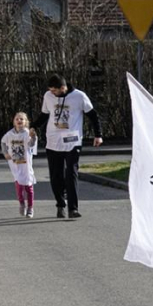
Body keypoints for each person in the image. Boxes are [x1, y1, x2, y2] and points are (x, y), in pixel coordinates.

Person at [32, 74, 103, 219]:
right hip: (53, 141)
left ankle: (73, 209)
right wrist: (33, 126)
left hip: (72, 141)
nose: (52, 93)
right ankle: (60, 204)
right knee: (56, 176)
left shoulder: (79, 96)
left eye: (54, 90)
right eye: (50, 90)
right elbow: (44, 115)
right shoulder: (48, 96)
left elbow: (93, 115)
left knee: (71, 173)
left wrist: (98, 135)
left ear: (63, 88)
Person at [1, 112, 38, 218]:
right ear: (14, 122)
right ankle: (22, 204)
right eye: (17, 119)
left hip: (25, 165)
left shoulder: (27, 133)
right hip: (15, 165)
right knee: (19, 186)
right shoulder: (9, 134)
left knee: (28, 186)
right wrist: (5, 153)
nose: (19, 120)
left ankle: (30, 207)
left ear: (26, 122)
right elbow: (3, 142)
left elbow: (31, 144)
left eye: (22, 119)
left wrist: (33, 137)